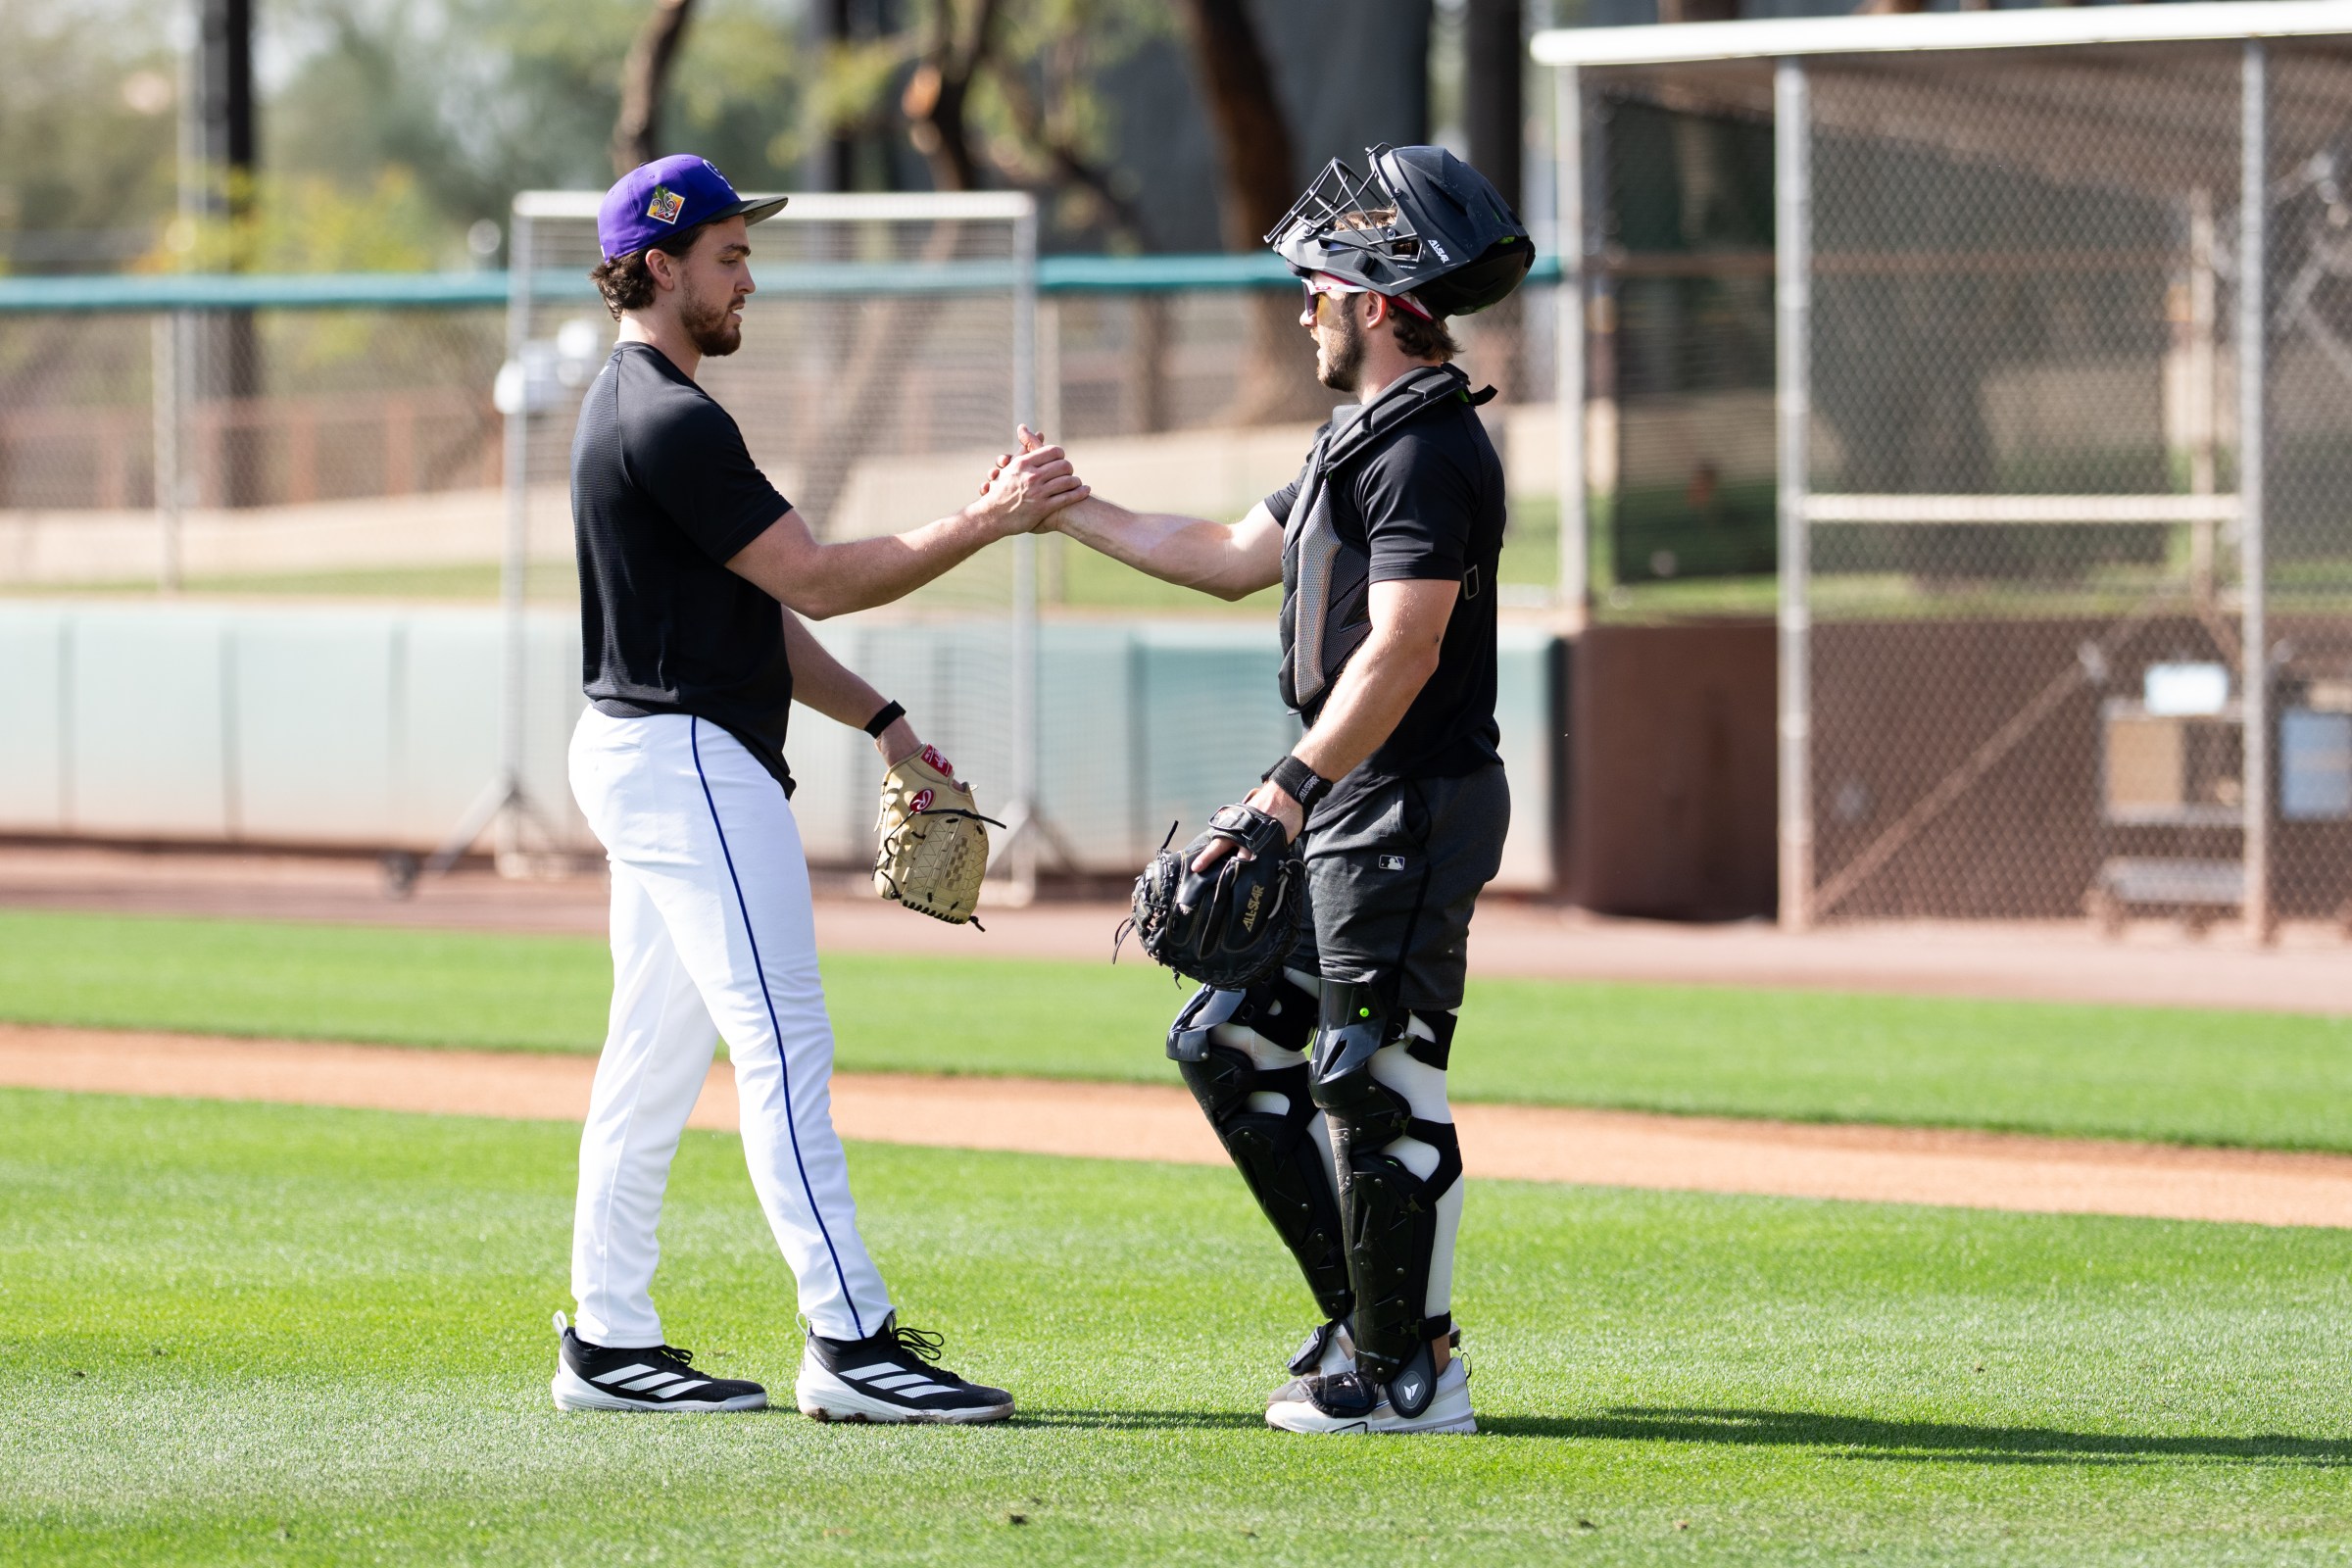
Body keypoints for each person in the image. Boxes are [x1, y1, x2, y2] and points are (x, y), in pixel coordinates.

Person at [549, 155, 1087, 1424]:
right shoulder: (666, 420)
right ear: (661, 265)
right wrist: (990, 518)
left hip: (656, 749)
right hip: (684, 763)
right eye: (729, 256)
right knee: (782, 1043)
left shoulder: (643, 410)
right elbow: (821, 578)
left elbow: (763, 616)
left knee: (652, 1058)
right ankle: (850, 1341)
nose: (749, 278)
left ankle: (610, 1340)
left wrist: (885, 724)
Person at [1021, 145, 1531, 1434]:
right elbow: (1227, 556)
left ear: (1370, 301)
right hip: (1348, 800)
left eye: (1311, 289)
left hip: (1404, 801)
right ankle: (1358, 1324)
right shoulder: (1350, 444)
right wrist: (1066, 511)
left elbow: (1405, 646)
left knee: (1375, 1073)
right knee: (1231, 1044)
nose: (1297, 309)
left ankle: (1411, 1376)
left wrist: (1287, 791)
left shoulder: (1423, 453)